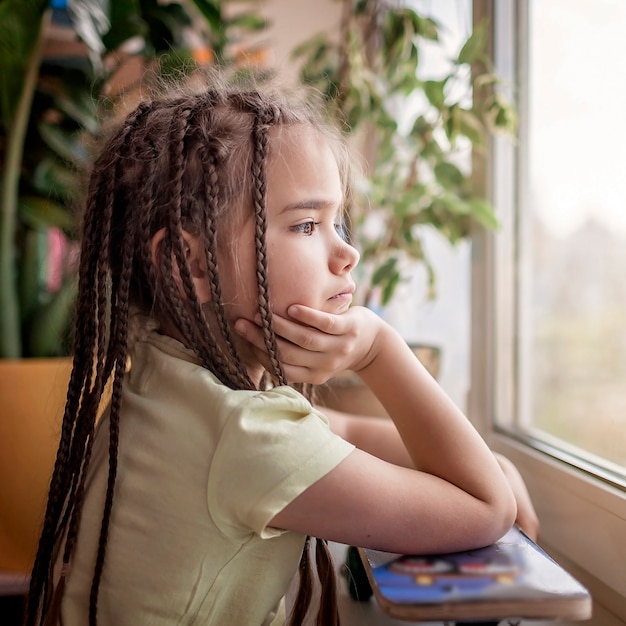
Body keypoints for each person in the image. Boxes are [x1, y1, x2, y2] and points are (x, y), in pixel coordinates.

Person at [25, 71, 537, 626]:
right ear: (189, 262)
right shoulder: (243, 437)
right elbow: (487, 510)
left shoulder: (169, 374)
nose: (348, 254)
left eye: (337, 221)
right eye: (307, 224)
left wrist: (498, 463)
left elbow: (344, 432)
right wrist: (378, 352)